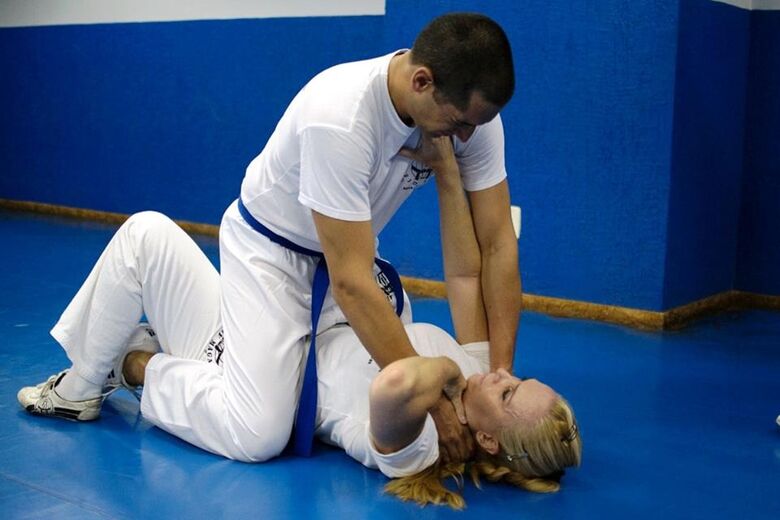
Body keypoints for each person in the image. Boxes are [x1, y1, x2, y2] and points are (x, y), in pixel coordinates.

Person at [19, 12, 521, 464]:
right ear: (422, 81)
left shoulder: (471, 118)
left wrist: (494, 372)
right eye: (459, 123)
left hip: (347, 255)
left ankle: (160, 261)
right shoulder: (342, 116)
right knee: (257, 434)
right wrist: (428, 398)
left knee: (302, 371)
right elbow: (349, 282)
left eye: (476, 125)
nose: (465, 140)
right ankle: (129, 361)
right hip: (271, 255)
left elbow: (497, 245)